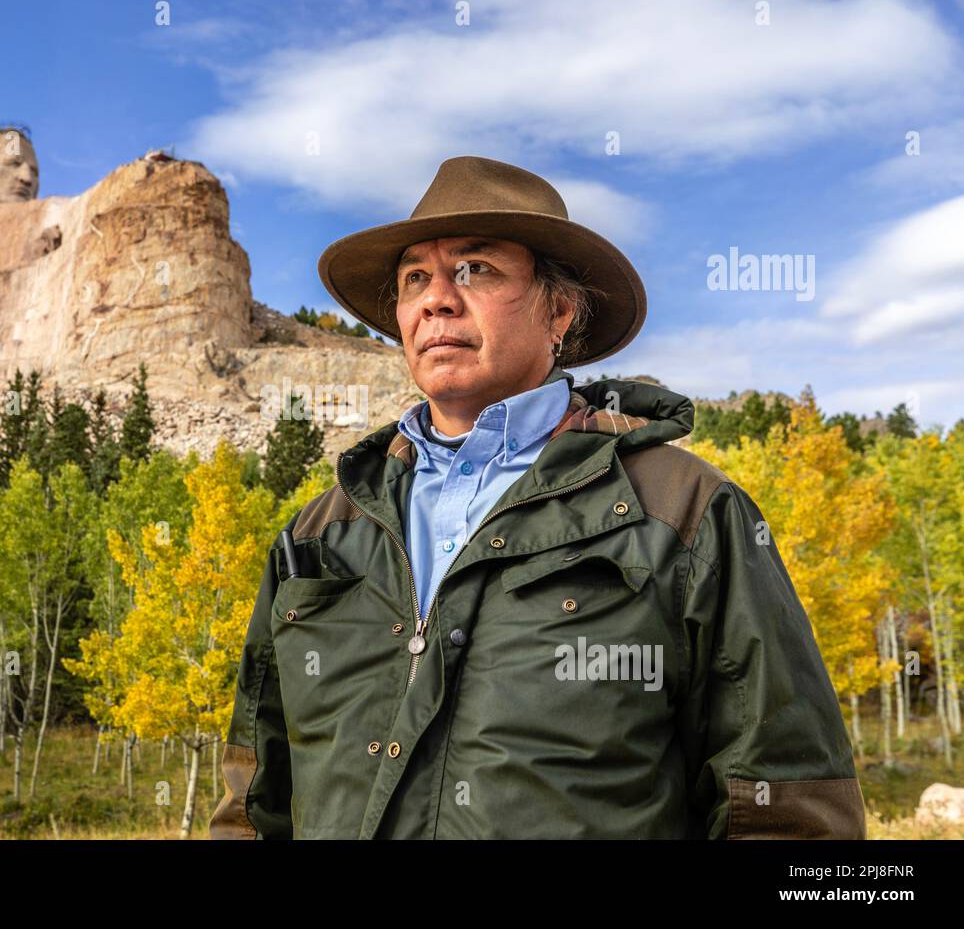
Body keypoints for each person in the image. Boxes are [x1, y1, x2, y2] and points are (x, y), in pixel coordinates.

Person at [209, 156, 865, 839]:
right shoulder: (318, 534)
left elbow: (787, 811)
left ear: (559, 310)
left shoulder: (685, 511)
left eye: (476, 270)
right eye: (414, 279)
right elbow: (252, 802)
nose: (437, 298)